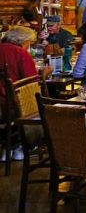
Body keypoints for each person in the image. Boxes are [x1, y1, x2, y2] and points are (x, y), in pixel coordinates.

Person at [0, 26, 47, 162]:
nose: (29, 47)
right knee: (39, 106)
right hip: (9, 106)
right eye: (29, 44)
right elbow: (31, 83)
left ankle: (6, 147)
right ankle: (23, 145)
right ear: (23, 41)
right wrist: (43, 75)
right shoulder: (20, 53)